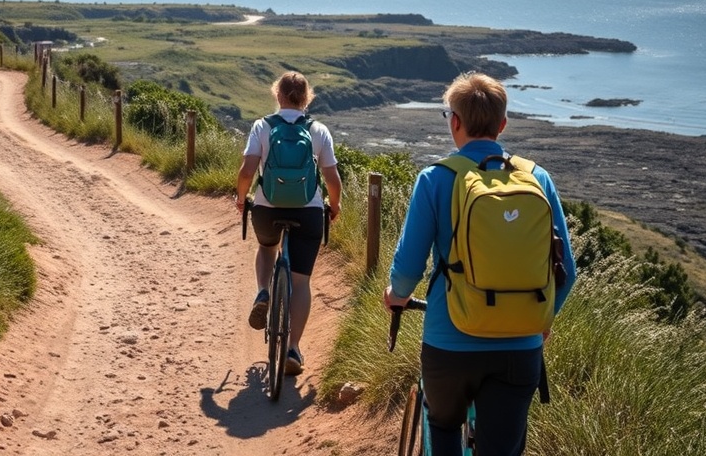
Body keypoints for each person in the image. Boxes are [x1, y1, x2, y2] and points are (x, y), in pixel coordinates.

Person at [384, 72, 577, 456]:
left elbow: (409, 267)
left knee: (442, 425)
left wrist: (396, 295)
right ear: (502, 124)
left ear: (454, 121)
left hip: (449, 342)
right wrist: (542, 320)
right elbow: (565, 272)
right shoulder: (538, 178)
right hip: (519, 348)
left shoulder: (435, 179)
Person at [235, 71, 342, 376]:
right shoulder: (319, 130)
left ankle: (262, 292)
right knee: (301, 282)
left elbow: (247, 172)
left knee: (267, 248)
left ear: (278, 95)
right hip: (308, 212)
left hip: (268, 208)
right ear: (307, 98)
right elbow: (333, 180)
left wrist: (242, 199)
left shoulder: (262, 127)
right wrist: (334, 207)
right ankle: (293, 348)